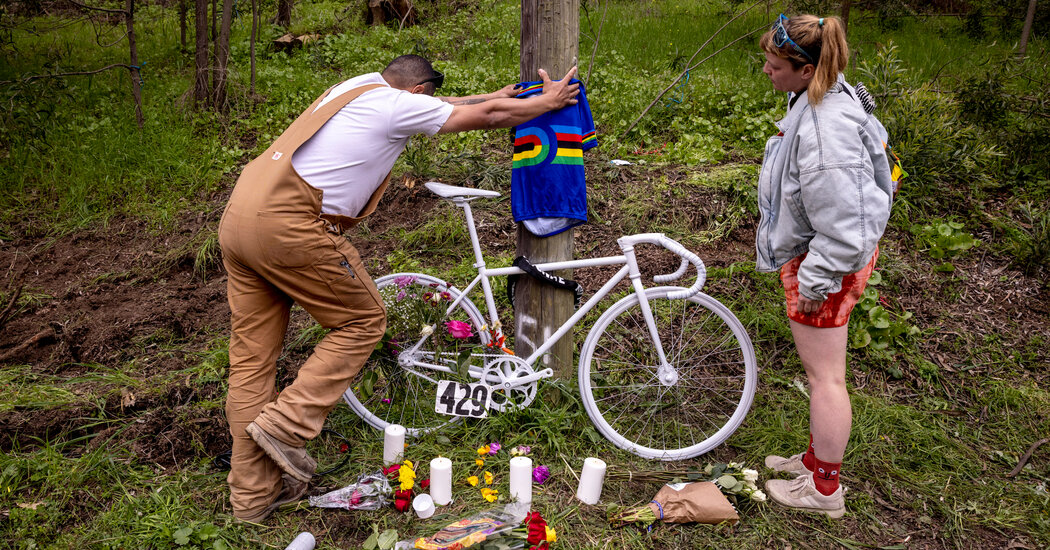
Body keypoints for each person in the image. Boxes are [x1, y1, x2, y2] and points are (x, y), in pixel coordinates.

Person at [217, 54, 580, 523]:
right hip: (289, 224)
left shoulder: (357, 88)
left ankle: (252, 499)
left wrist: (494, 94)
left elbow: (454, 104)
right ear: (417, 93)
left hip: (241, 217)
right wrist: (547, 102)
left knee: (251, 361)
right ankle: (285, 425)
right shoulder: (394, 105)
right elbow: (486, 117)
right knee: (362, 320)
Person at [754, 15, 894, 518]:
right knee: (822, 375)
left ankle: (824, 490)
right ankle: (815, 462)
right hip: (821, 256)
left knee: (826, 379)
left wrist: (816, 279)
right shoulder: (823, 95)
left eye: (774, 65)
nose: (767, 71)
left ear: (806, 68)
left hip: (826, 262)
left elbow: (846, 223)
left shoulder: (824, 128)